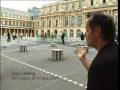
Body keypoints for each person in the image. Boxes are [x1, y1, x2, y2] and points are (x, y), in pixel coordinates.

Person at [75, 13, 118, 90]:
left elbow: (97, 70)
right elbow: (101, 74)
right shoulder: (113, 50)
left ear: (97, 31)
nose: (85, 34)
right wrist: (83, 59)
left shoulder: (100, 63)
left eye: (87, 30)